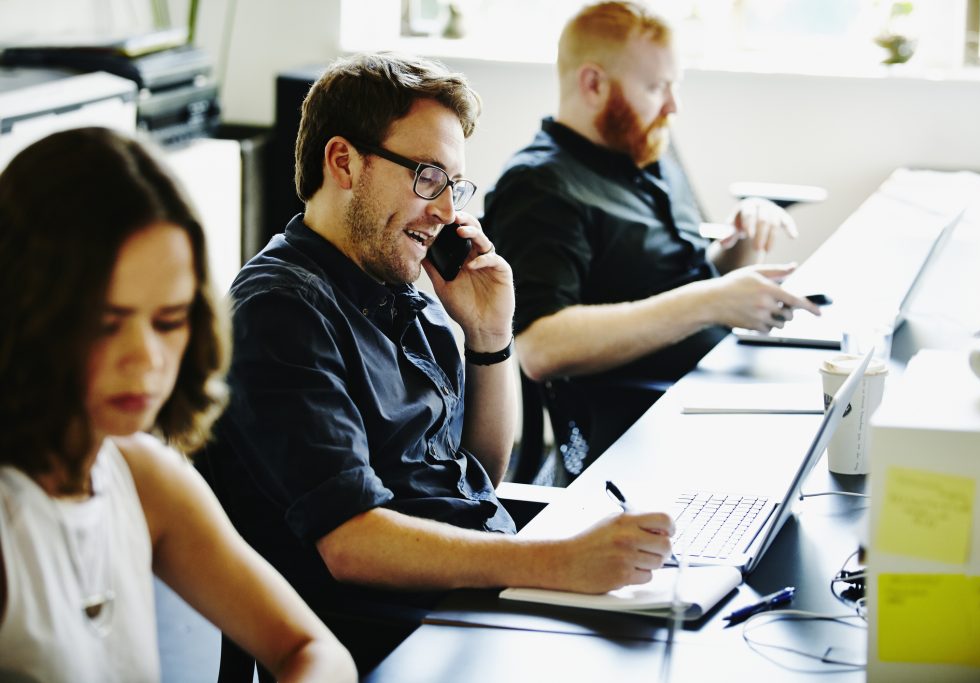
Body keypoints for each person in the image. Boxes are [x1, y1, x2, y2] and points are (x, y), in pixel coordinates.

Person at [200, 52, 674, 673]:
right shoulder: (280, 313)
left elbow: (478, 472)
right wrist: (557, 563)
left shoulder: (401, 295)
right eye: (427, 177)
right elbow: (352, 541)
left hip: (467, 597)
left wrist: (489, 336)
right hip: (397, 641)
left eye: (454, 186)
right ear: (343, 161)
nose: (448, 211)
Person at [0, 127, 357, 683]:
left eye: (169, 321)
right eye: (104, 324)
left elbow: (314, 650)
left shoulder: (142, 478)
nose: (145, 359)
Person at [483, 1, 821, 466]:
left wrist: (739, 240)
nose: (673, 106)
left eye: (674, 86)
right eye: (656, 87)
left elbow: (686, 278)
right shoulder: (540, 186)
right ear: (594, 83)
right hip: (639, 429)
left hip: (704, 383)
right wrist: (711, 301)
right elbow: (541, 347)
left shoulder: (645, 149)